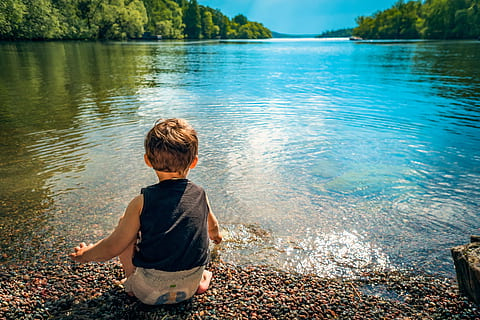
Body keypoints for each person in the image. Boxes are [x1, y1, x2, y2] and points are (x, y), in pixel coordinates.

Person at [70, 118, 223, 305]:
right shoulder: (200, 194)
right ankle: (202, 280)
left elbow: (113, 247)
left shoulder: (141, 202)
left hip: (148, 292)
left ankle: (130, 281)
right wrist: (217, 238)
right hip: (189, 287)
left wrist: (85, 255)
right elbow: (213, 227)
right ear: (194, 162)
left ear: (148, 161)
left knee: (125, 224)